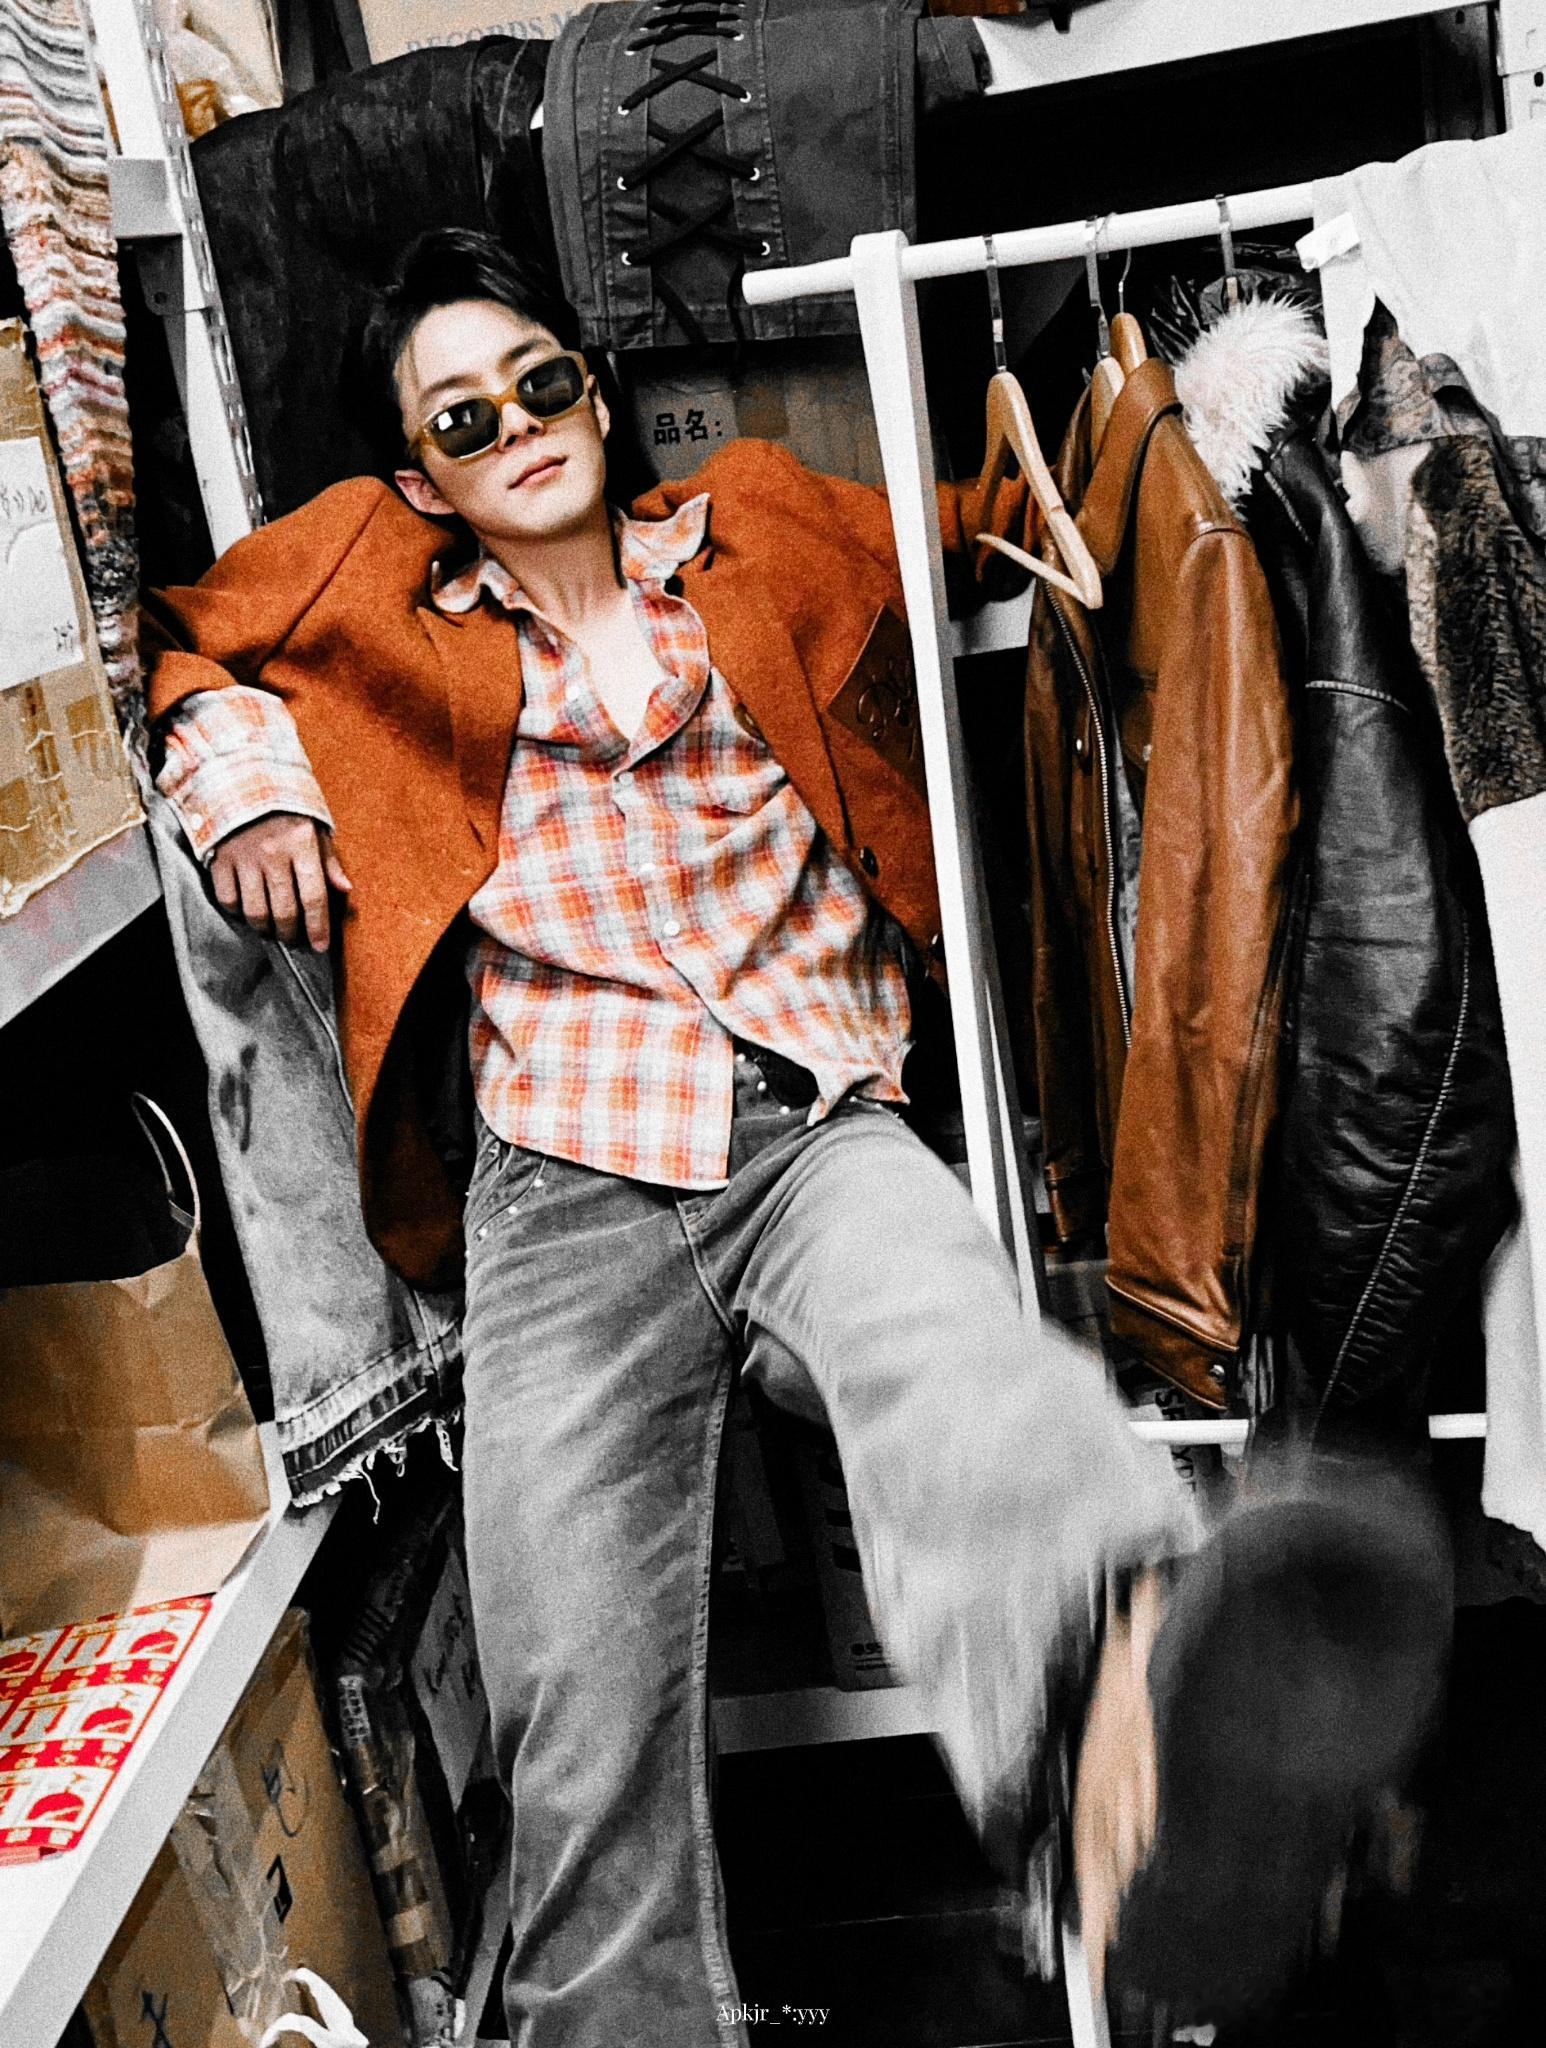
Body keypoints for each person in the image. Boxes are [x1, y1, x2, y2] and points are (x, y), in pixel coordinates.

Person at [146, 228, 1450, 2047]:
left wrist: (1210, 440)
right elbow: (182, 635)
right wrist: (242, 783)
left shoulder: (755, 523)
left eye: (540, 382)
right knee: (571, 1707)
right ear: (421, 475)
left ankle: (1129, 1737)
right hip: (566, 1182)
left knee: (962, 1376)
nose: (516, 426)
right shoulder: (382, 585)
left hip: (808, 1118)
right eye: (463, 418)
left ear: (593, 390)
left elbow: (993, 511)